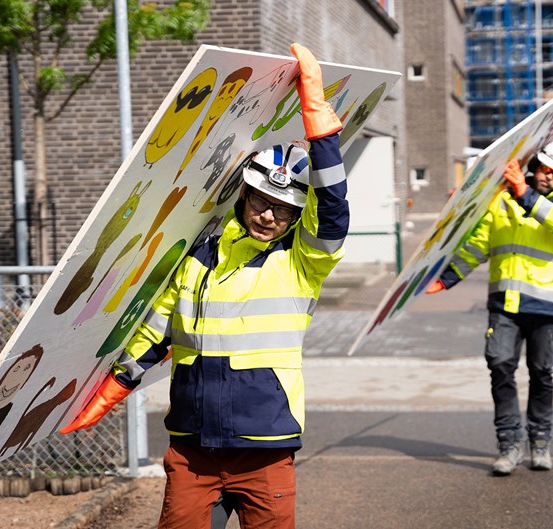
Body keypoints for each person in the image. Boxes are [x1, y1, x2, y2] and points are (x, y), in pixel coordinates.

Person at [60, 42, 347, 528]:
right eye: (260, 200)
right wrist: (109, 390)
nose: (269, 214)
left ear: (298, 215)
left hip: (265, 447)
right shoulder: (195, 257)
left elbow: (334, 209)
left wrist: (317, 119)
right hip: (193, 448)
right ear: (244, 194)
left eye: (283, 209)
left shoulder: (302, 262)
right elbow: (154, 333)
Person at [425, 140, 553, 475]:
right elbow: (479, 245)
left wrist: (523, 191)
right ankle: (508, 444)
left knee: (541, 374)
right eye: (543, 169)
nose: (546, 177)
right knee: (499, 367)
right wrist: (448, 278)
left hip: (547, 307)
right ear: (535, 166)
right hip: (505, 305)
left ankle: (539, 441)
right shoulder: (501, 202)